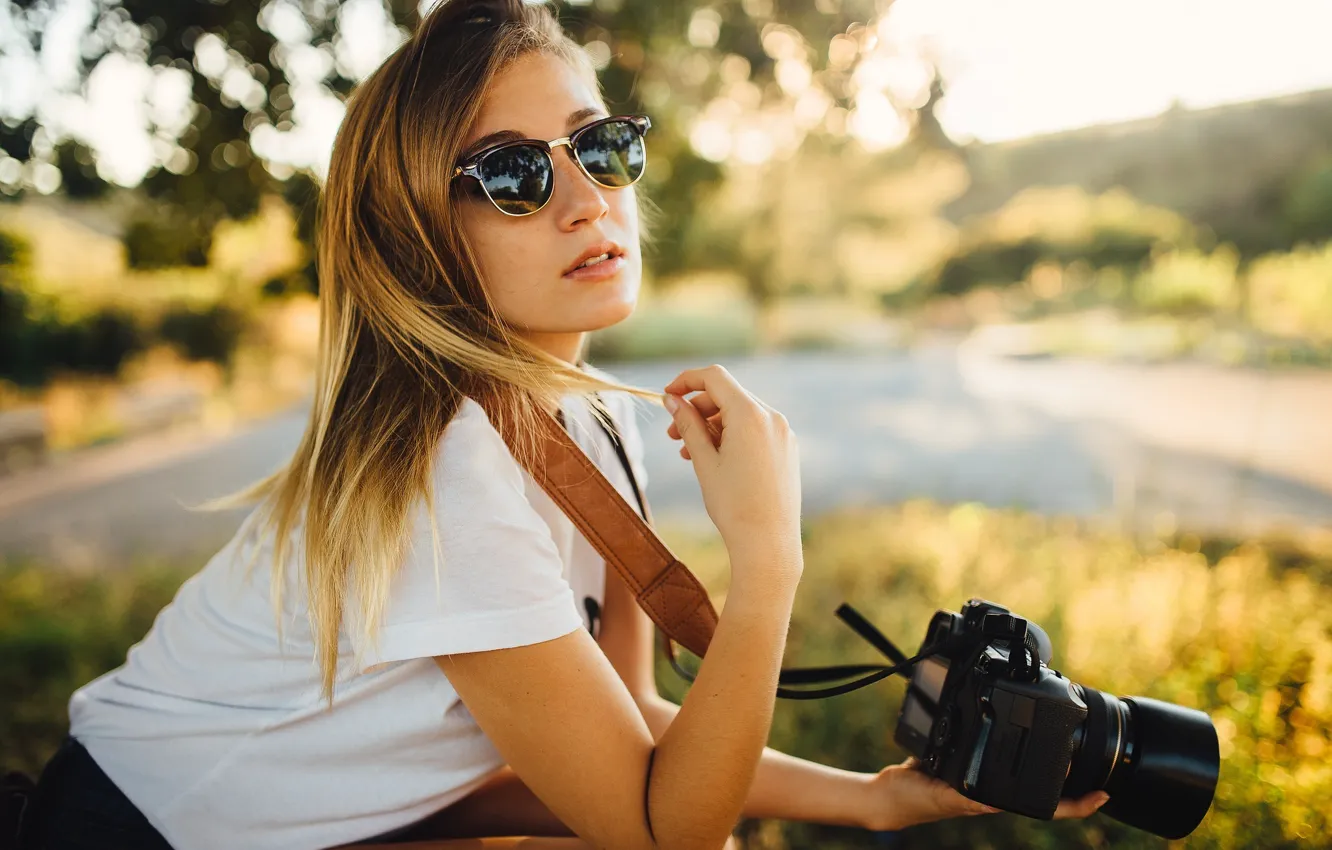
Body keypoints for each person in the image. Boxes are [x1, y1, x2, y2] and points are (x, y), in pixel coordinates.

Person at [23, 1, 1110, 848]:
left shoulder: (583, 420)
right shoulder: (445, 469)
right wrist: (768, 558)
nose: (585, 198)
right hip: (136, 827)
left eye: (599, 147)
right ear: (418, 240)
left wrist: (872, 801)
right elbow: (660, 826)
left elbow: (632, 722)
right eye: (511, 175)